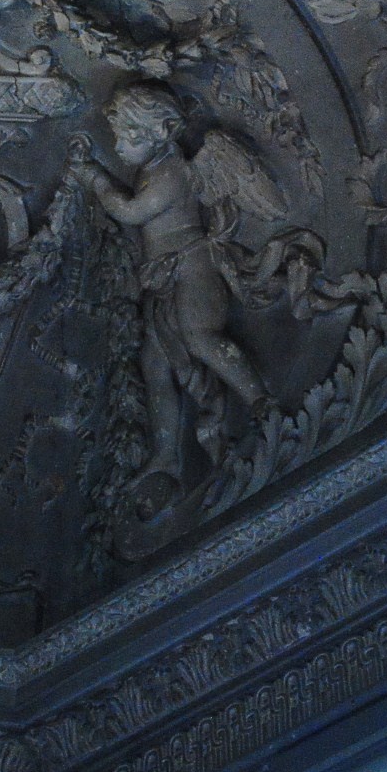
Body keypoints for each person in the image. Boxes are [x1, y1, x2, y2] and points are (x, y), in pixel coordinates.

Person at [73, 82, 278, 485]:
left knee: (200, 337)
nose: (119, 147)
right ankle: (166, 452)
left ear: (164, 131)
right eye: (117, 136)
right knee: (154, 364)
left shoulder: (171, 175)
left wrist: (95, 179)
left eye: (130, 137)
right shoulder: (152, 166)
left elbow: (132, 212)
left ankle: (260, 402)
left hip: (193, 269)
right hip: (165, 277)